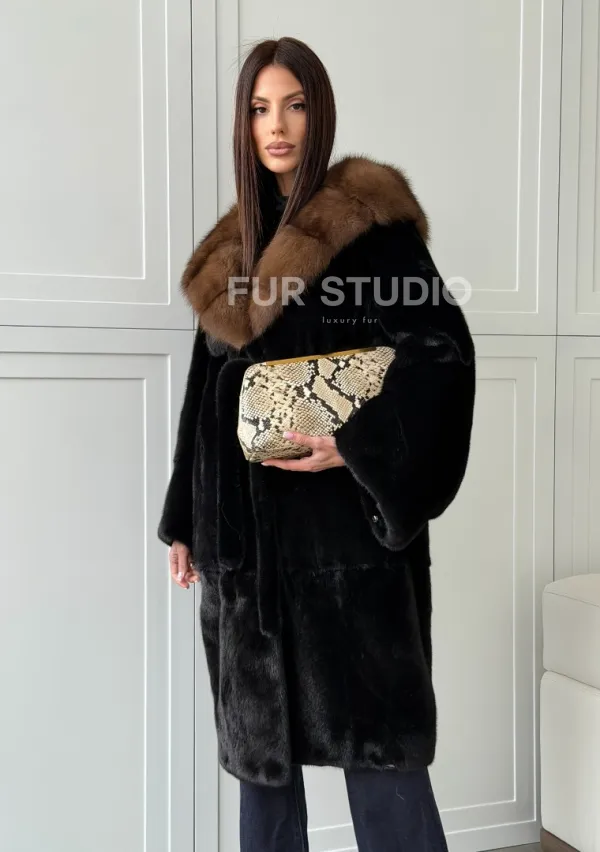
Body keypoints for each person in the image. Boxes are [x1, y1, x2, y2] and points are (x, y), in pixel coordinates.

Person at [158, 35, 476, 852]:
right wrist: (185, 520)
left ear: (319, 115)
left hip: (349, 553)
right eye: (260, 108)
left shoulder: (374, 234)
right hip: (248, 559)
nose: (278, 126)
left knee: (384, 770)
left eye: (295, 106)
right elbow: (206, 396)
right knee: (264, 780)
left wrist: (355, 444)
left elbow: (441, 357)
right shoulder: (231, 252)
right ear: (243, 123)